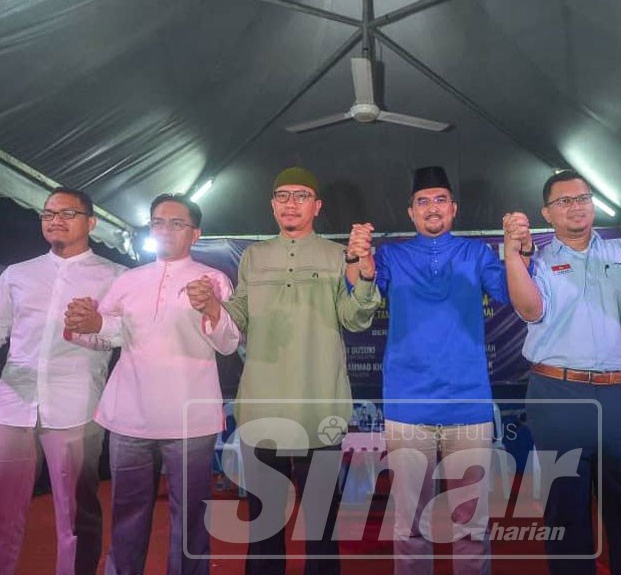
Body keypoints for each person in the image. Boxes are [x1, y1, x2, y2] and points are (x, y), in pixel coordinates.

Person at [190, 166, 380, 575]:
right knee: (263, 523)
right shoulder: (255, 257)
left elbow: (355, 319)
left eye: (300, 196)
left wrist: (363, 272)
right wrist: (212, 306)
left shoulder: (336, 255)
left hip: (321, 405)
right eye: (282, 196)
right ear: (272, 205)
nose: (290, 204)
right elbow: (239, 313)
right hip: (263, 406)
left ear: (317, 205)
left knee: (321, 525)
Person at [64, 193, 240, 575]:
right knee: (126, 512)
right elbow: (108, 334)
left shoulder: (213, 281)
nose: (164, 230)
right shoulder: (129, 280)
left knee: (190, 517)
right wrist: (85, 326)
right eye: (157, 222)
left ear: (196, 234)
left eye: (176, 223)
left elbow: (228, 343)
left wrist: (211, 308)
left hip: (189, 419)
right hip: (130, 416)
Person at [504, 169, 621, 575]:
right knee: (565, 512)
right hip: (558, 394)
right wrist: (510, 251)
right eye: (564, 201)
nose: (576, 206)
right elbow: (530, 310)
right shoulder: (535, 260)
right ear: (547, 212)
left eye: (583, 198)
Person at [374, 165, 531, 575]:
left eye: (440, 199)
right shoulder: (390, 255)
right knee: (410, 522)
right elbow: (364, 301)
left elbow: (511, 295)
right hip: (408, 404)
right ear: (410, 212)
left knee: (471, 521)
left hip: (468, 403)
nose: (432, 208)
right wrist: (358, 263)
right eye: (422, 201)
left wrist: (518, 252)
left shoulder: (477, 254)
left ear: (454, 208)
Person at [0, 187, 126, 575]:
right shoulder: (17, 275)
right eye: (48, 214)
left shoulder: (115, 276)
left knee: (76, 513)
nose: (55, 220)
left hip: (76, 405)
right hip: (13, 404)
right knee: (3, 507)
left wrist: (98, 324)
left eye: (66, 213)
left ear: (91, 222)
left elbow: (130, 333)